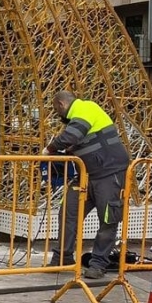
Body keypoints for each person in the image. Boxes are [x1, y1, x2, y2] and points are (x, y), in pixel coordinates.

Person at [43, 90, 131, 279]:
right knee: (68, 211)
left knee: (108, 219)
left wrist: (49, 149)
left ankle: (98, 264)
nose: (59, 116)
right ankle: (63, 257)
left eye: (57, 110)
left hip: (109, 173)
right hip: (86, 174)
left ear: (61, 104)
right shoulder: (81, 116)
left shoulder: (85, 108)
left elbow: (71, 136)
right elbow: (79, 143)